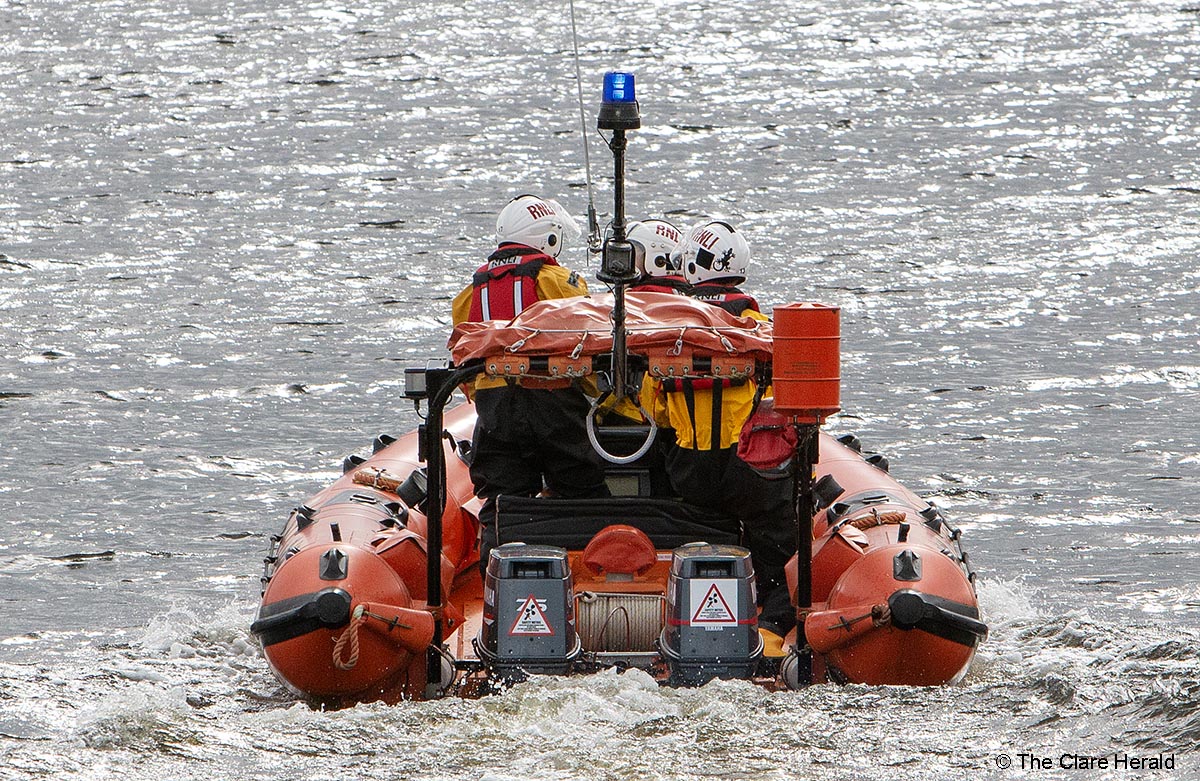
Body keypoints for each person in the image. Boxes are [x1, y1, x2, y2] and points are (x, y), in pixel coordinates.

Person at [640, 220, 798, 654]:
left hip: (690, 472)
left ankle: (685, 618)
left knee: (702, 535)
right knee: (779, 538)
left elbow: (653, 408)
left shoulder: (668, 328)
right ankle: (771, 625)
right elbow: (784, 393)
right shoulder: (757, 324)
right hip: (747, 465)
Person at [452, 194, 611, 575]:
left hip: (495, 407)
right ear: (547, 239)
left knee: (502, 498)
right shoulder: (559, 281)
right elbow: (593, 336)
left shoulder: (469, 293)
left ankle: (498, 578)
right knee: (582, 489)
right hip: (553, 399)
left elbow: (464, 354)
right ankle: (589, 576)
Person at [625, 219, 691, 294]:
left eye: (631, 254)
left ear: (658, 261)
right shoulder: (692, 294)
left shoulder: (636, 297)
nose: (624, 262)